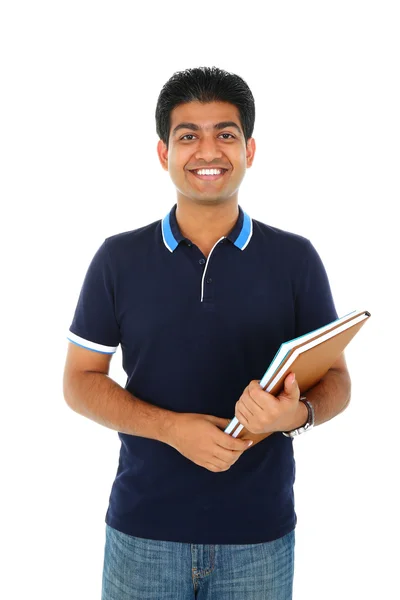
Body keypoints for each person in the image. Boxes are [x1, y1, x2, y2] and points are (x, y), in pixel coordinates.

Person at [63, 66, 351, 600]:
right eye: (187, 135)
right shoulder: (117, 259)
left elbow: (335, 377)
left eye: (226, 133)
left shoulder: (295, 258)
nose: (208, 151)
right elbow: (79, 381)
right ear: (163, 153)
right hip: (142, 534)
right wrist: (172, 429)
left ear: (250, 150)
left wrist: (299, 414)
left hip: (258, 537)